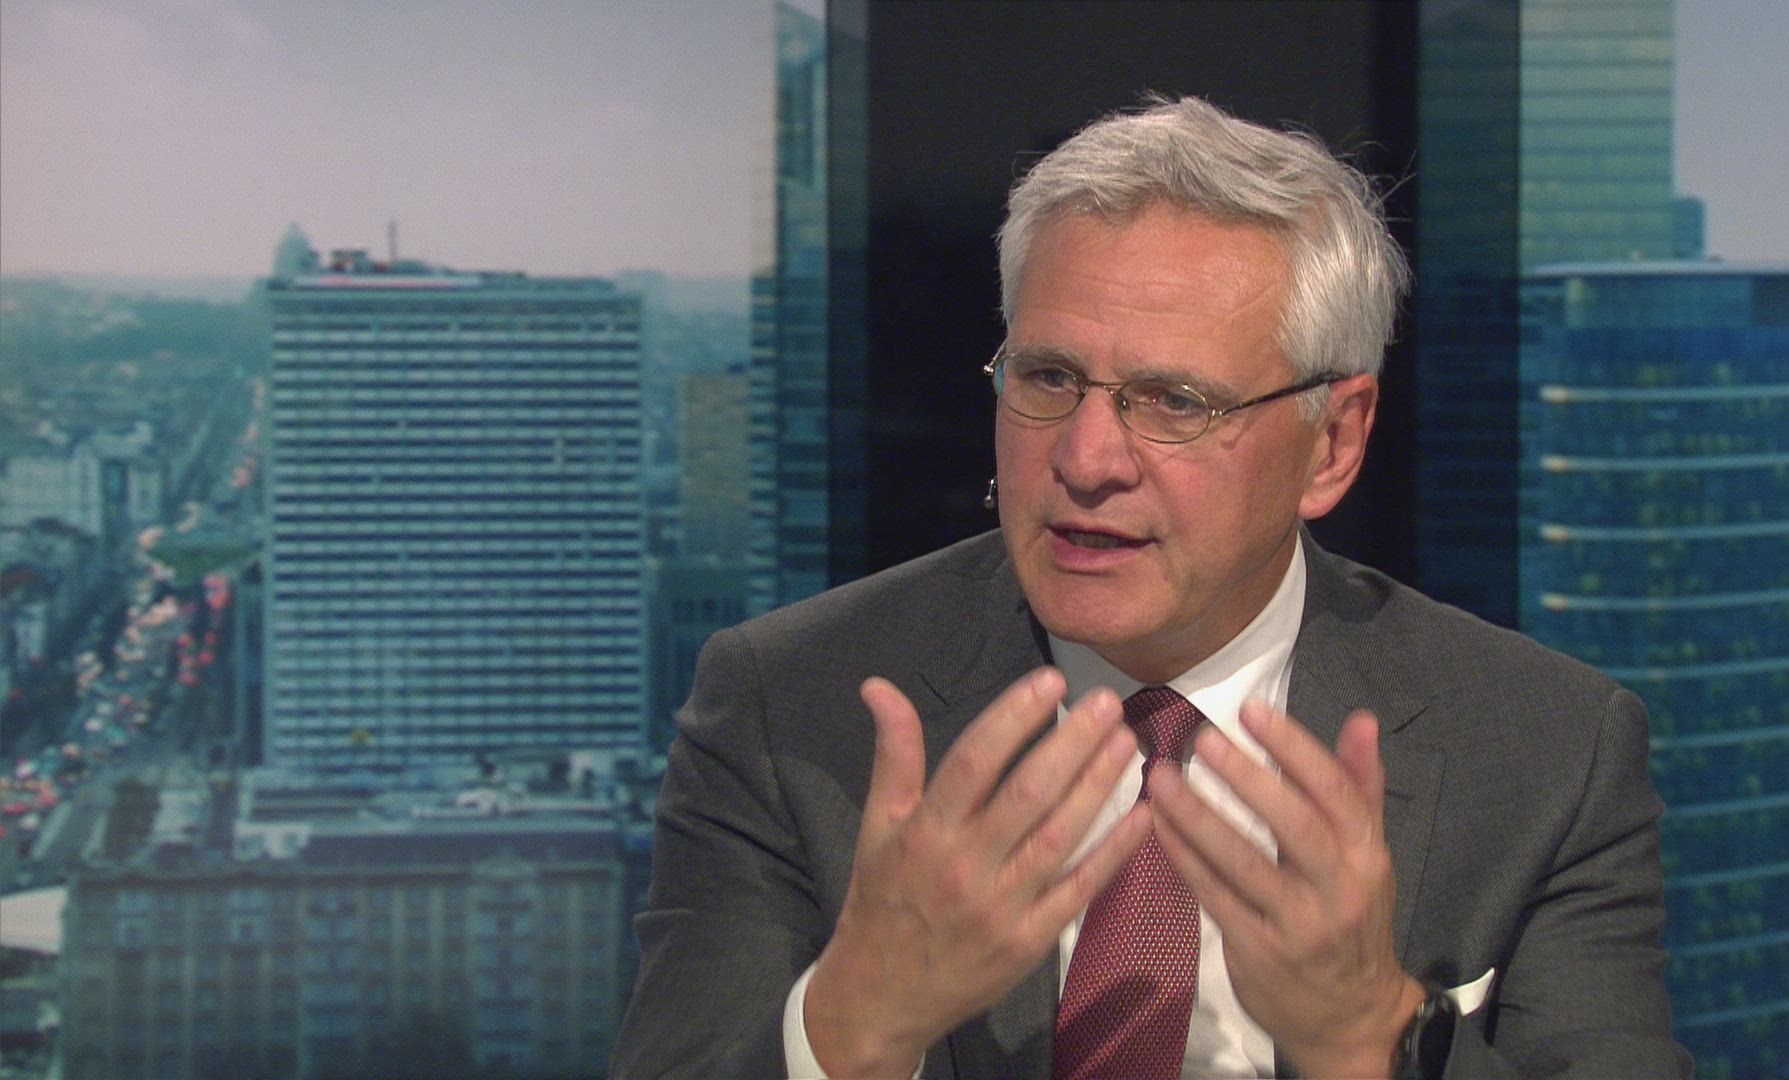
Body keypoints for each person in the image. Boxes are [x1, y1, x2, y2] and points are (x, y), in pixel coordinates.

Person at [610, 97, 1689, 1079]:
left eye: (1175, 402)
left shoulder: (1550, 752)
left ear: (1332, 443)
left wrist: (1374, 1035)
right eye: (1049, 378)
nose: (1085, 460)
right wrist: (854, 1025)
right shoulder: (787, 706)